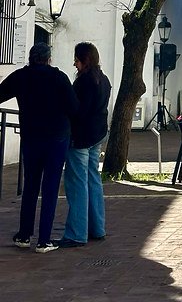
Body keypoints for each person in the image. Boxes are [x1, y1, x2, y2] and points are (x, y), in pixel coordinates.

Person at [0, 42, 79, 253]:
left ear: (30, 58)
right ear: (48, 58)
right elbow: (74, 107)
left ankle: (24, 235)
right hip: (56, 138)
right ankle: (44, 240)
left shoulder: (20, 76)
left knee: (30, 186)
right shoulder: (59, 77)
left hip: (31, 137)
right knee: (50, 188)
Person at [57, 43, 112, 248]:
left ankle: (76, 233)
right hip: (97, 134)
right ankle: (97, 227)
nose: (75, 63)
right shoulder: (103, 80)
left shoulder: (83, 82)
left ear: (84, 60)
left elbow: (77, 111)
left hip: (80, 137)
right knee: (93, 180)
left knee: (77, 183)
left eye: (77, 60)